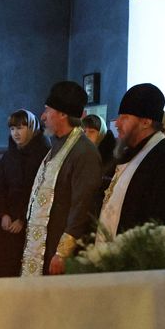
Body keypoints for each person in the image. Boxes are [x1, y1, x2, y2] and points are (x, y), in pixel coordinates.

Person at [22, 81, 102, 276]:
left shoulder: (84, 152)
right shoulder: (58, 145)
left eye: (48, 110)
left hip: (59, 253)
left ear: (63, 114)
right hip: (45, 247)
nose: (43, 116)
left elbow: (82, 205)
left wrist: (62, 252)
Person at [97, 84, 165, 241]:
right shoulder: (127, 154)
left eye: (125, 118)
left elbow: (159, 220)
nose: (117, 124)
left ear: (146, 122)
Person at [0, 109, 51, 277]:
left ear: (31, 127)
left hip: (32, 223)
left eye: (20, 128)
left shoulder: (43, 153)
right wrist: (3, 213)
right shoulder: (9, 156)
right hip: (8, 221)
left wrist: (22, 218)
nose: (16, 133)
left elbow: (40, 190)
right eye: (12, 129)